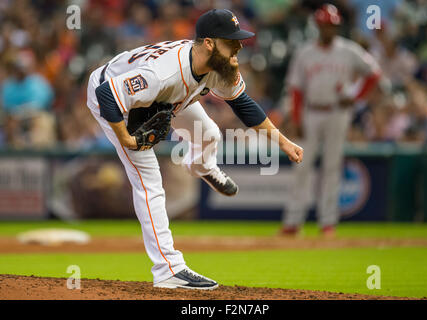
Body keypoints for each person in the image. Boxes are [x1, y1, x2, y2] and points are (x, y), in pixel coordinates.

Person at [87, 9, 303, 290]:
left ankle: (201, 165)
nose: (238, 50)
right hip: (116, 98)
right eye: (232, 44)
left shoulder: (217, 67)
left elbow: (245, 106)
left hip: (164, 97)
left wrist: (284, 142)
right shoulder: (164, 74)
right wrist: (127, 139)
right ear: (210, 43)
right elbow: (108, 95)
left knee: (209, 134)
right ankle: (168, 270)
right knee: (149, 181)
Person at [280, 4, 381, 237]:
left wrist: (356, 97)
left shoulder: (348, 50)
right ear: (318, 26)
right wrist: (296, 118)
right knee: (302, 166)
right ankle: (293, 222)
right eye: (325, 25)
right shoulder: (305, 52)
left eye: (332, 25)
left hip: (337, 112)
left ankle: (328, 222)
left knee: (332, 167)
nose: (329, 29)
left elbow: (374, 73)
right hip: (311, 111)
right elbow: (296, 89)